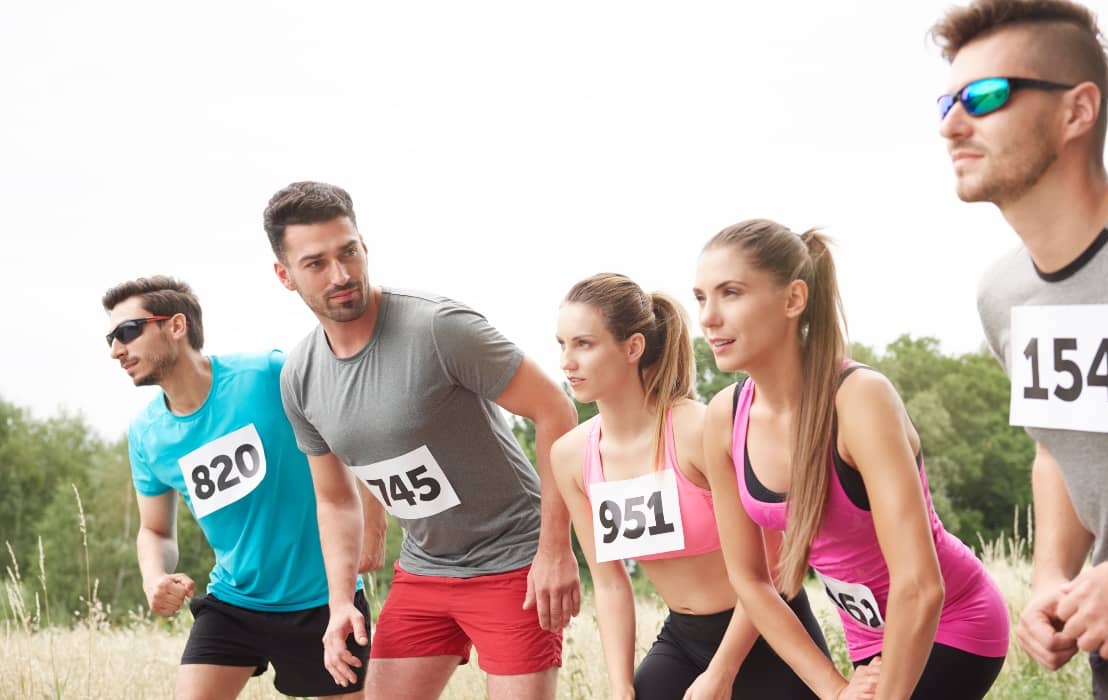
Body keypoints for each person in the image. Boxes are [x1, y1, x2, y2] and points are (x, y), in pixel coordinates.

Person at [931, 1, 1108, 696]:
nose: (952, 124)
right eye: (948, 100)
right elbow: (1057, 448)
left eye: (986, 96)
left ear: (1077, 111)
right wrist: (1052, 577)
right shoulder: (1003, 295)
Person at [262, 181, 580, 699]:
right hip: (426, 571)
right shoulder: (299, 376)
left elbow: (556, 410)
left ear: (364, 246)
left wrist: (554, 550)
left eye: (348, 253)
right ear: (285, 275)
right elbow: (334, 497)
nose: (341, 275)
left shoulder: (439, 327)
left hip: (513, 564)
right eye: (316, 263)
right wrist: (341, 601)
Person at [694, 220, 1010, 700]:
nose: (708, 318)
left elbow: (921, 585)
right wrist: (833, 688)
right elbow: (751, 580)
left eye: (730, 293)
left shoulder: (860, 399)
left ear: (793, 299)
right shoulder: (723, 418)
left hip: (951, 619)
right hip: (868, 637)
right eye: (700, 298)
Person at [551, 273, 855, 700]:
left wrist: (722, 671)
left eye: (583, 344)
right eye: (561, 344)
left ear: (632, 348)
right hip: (681, 640)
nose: (567, 361)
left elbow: (777, 561)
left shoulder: (700, 429)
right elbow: (611, 583)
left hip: (766, 632)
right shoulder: (570, 456)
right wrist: (620, 686)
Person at [102, 275, 371, 699]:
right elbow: (154, 530)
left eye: (128, 332)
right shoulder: (147, 435)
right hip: (234, 601)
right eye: (111, 338)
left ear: (176, 326)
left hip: (323, 601)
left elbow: (354, 430)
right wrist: (154, 577)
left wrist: (372, 526)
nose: (117, 350)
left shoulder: (267, 373)